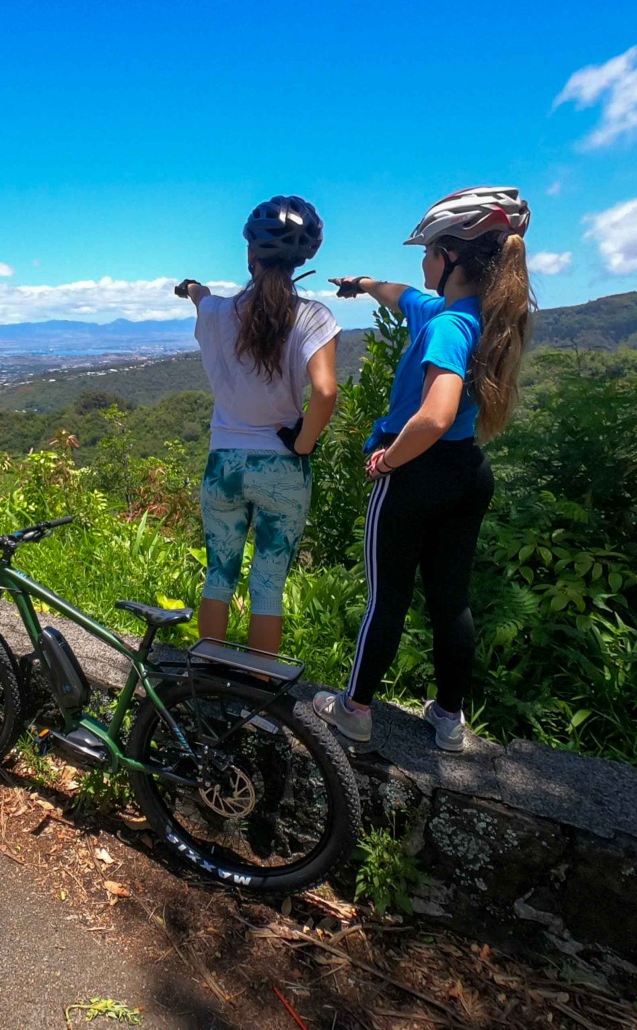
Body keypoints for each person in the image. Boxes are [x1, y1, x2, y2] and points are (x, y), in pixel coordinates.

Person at [313, 186, 534, 751]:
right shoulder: (476, 315)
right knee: (450, 600)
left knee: (386, 596)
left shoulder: (446, 328)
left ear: (452, 257)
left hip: (416, 473)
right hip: (467, 473)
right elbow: (400, 294)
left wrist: (390, 458)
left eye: (430, 249)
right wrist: (360, 285)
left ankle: (355, 709)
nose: (422, 260)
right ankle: (449, 719)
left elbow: (433, 416)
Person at [175, 195, 340, 655]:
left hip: (224, 464)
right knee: (267, 586)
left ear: (251, 254)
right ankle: (258, 697)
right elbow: (325, 393)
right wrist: (303, 444)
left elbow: (202, 298)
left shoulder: (216, 313)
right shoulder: (314, 316)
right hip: (282, 468)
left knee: (218, 577)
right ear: (302, 259)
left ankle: (207, 682)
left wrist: (191, 288)